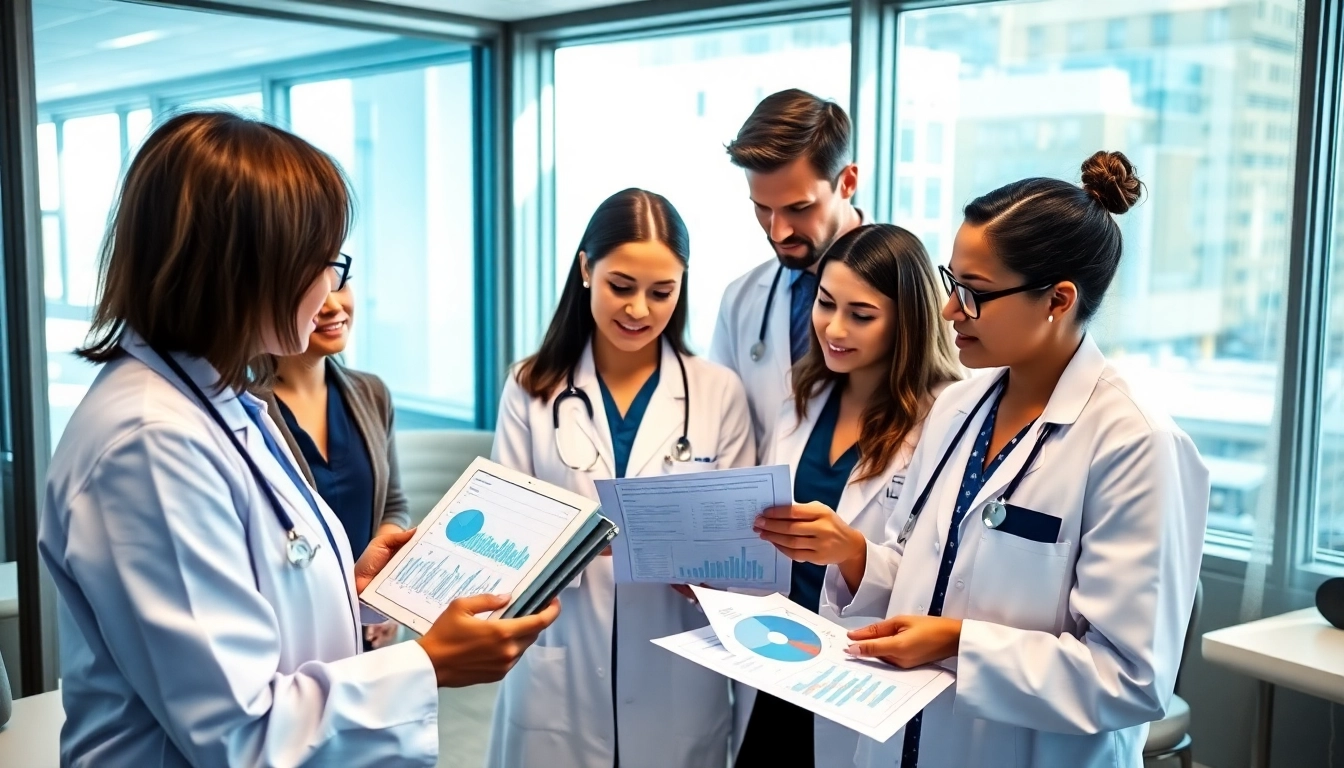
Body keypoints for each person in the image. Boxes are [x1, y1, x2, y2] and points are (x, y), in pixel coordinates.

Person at [38, 111, 559, 768]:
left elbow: (250, 590)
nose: (334, 291)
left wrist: (349, 585)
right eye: (326, 263)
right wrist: (428, 666)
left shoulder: (220, 400)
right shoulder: (148, 443)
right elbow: (242, 734)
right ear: (249, 270)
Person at [756, 152, 1209, 767]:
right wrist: (860, 559)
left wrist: (959, 645)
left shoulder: (1136, 447)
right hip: (903, 737)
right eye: (952, 284)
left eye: (975, 295)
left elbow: (1131, 677)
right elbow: (924, 569)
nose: (949, 312)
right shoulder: (957, 409)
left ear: (1058, 299)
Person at [487, 188, 755, 768]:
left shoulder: (719, 394)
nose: (639, 310)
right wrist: (583, 545)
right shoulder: (531, 387)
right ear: (586, 269)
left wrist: (710, 573)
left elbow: (739, 544)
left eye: (662, 292)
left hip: (678, 669)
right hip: (561, 663)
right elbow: (506, 533)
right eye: (621, 287)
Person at [734, 224, 961, 768]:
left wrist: (852, 552)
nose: (833, 328)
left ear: (905, 322)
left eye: (861, 315)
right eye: (825, 303)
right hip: (771, 655)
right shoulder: (802, 394)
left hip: (853, 669)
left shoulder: (945, 418)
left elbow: (937, 579)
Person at [256, 270, 407, 650]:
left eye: (338, 281)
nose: (333, 304)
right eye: (307, 287)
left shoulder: (371, 393)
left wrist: (383, 595)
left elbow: (393, 504)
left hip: (366, 630)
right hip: (292, 638)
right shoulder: (245, 411)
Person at [710, 88, 866, 454]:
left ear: (847, 182)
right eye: (762, 208)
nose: (777, 232)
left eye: (799, 208)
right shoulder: (741, 299)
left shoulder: (911, 290)